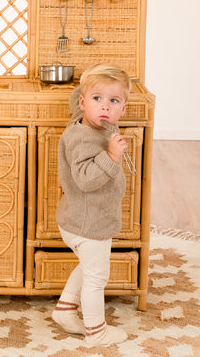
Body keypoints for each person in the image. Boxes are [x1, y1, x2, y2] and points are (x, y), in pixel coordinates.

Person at [52, 63, 131, 346]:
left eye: (114, 101)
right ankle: (96, 332)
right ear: (83, 103)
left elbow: (87, 97)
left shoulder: (94, 121)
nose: (105, 107)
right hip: (89, 224)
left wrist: (93, 90)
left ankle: (65, 311)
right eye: (97, 99)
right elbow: (86, 180)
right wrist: (111, 156)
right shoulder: (82, 138)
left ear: (124, 109)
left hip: (81, 218)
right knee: (97, 278)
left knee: (89, 267)